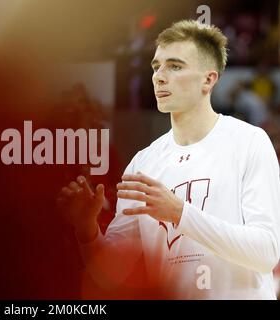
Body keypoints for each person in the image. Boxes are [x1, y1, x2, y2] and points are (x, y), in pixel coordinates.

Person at [57, 20, 280, 299]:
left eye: (175, 66)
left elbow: (266, 253)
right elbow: (110, 273)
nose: (159, 76)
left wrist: (180, 213)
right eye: (156, 66)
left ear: (208, 80)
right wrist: (86, 229)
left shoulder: (249, 142)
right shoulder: (143, 163)